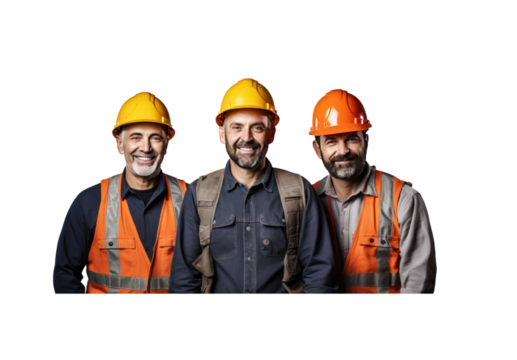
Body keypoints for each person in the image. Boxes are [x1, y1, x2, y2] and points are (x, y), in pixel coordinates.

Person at [169, 78, 338, 295]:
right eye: (236, 127)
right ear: (221, 134)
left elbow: (319, 274)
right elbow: (185, 279)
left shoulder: (298, 191)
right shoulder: (199, 193)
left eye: (257, 127)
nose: (246, 138)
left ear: (271, 133)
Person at [52, 91, 187, 295]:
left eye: (155, 138)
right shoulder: (89, 202)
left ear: (167, 145)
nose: (146, 147)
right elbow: (65, 274)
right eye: (136, 137)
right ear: (119, 144)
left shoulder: (192, 198)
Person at [308, 88, 437, 295]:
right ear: (317, 149)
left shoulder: (403, 199)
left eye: (352, 138)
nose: (343, 151)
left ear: (367, 141)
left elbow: (418, 284)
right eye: (332, 141)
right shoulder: (307, 200)